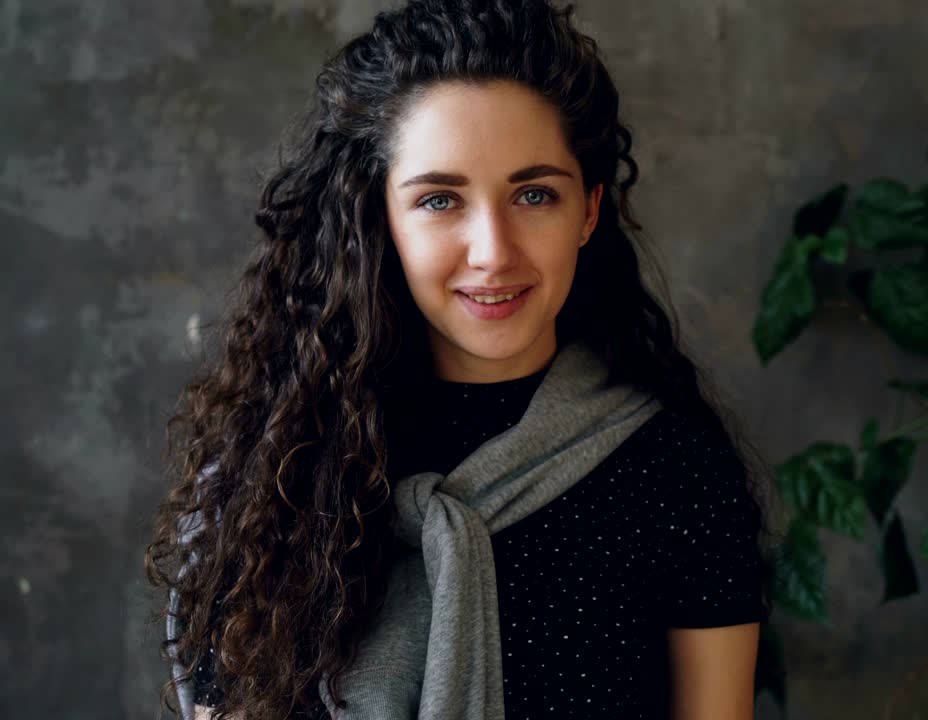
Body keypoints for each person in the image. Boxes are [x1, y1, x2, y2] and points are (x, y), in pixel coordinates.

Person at [144, 1, 777, 718]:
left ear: (590, 212)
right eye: (441, 200)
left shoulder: (675, 472)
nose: (494, 251)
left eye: (534, 194)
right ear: (378, 217)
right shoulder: (275, 472)